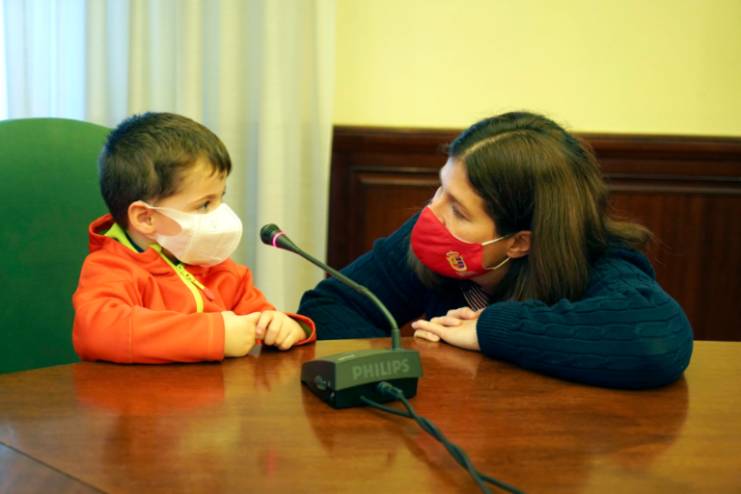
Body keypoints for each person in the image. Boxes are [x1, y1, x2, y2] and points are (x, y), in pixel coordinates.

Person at [298, 111, 693, 389]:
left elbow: (656, 340)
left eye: (458, 210)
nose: (432, 213)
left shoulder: (598, 261)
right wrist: (396, 374)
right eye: (440, 188)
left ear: (520, 242)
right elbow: (332, 304)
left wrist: (488, 330)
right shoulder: (432, 238)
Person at [73, 112, 315, 364]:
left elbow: (260, 319)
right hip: (145, 390)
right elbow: (98, 332)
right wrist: (215, 334)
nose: (220, 214)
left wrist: (286, 327)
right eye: (204, 204)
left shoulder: (218, 267)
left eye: (221, 197)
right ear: (146, 218)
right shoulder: (111, 269)